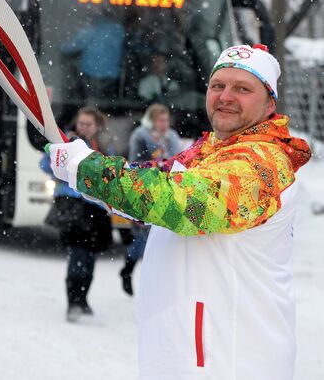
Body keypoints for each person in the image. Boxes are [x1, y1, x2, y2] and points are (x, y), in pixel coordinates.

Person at [48, 44, 311, 378]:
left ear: (269, 101)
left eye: (242, 88)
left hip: (230, 360)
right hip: (189, 355)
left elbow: (186, 206)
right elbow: (145, 185)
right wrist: (81, 166)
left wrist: (89, 170)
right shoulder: (208, 151)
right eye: (218, 85)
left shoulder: (262, 163)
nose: (226, 96)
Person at [40, 106, 113, 322]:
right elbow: (46, 164)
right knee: (78, 254)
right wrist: (64, 166)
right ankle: (73, 301)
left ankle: (83, 299)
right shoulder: (67, 143)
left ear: (97, 126)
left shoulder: (103, 146)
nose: (84, 128)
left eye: (89, 124)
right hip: (74, 206)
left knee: (90, 257)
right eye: (82, 123)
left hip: (96, 208)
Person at [120, 103, 182, 296]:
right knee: (143, 238)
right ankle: (128, 269)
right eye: (160, 120)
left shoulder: (171, 136)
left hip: (168, 192)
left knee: (159, 239)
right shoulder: (141, 135)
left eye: (166, 120)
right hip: (145, 191)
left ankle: (153, 283)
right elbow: (135, 162)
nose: (164, 124)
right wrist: (157, 161)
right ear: (152, 120)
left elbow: (179, 159)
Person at [61, 7, 124, 99]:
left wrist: (58, 47)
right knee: (107, 104)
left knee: (91, 102)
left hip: (91, 74)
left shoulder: (90, 30)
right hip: (112, 75)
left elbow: (70, 48)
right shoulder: (119, 30)